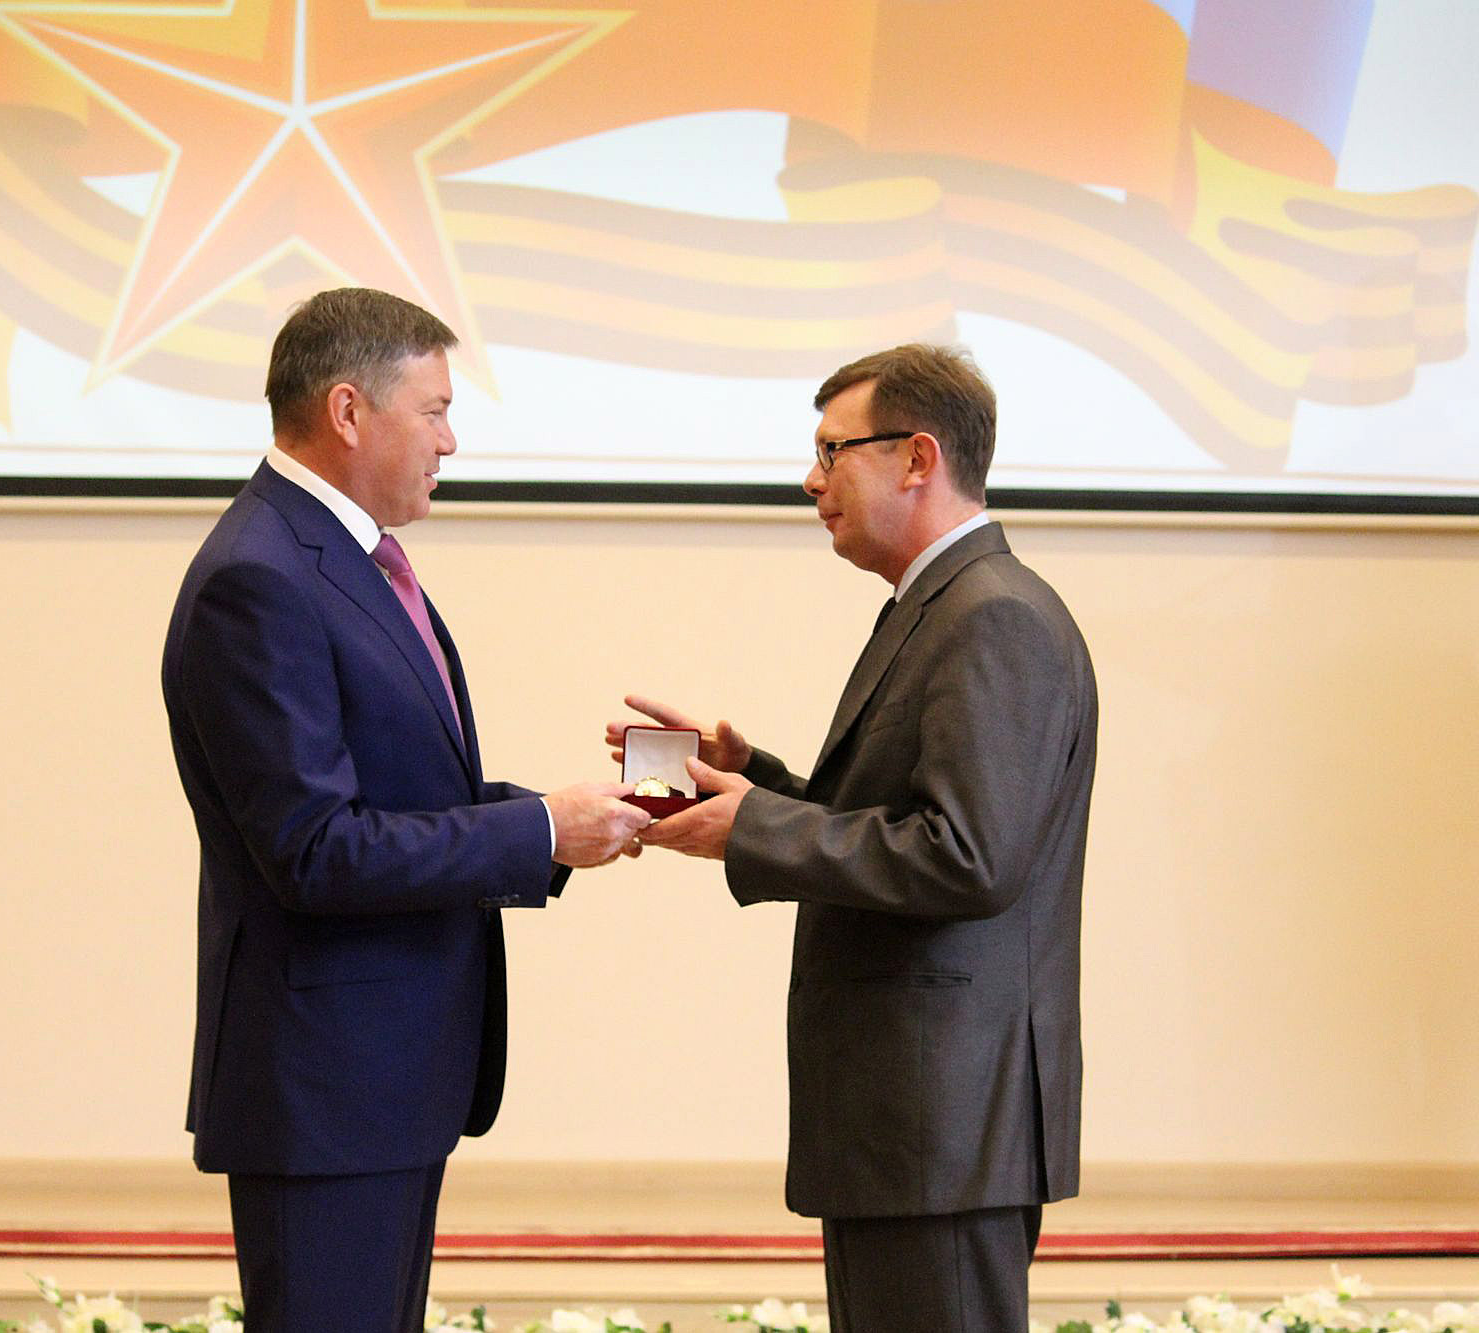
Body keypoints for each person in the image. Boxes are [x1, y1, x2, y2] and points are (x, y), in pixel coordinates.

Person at [162, 287, 649, 1333]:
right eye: (434, 411)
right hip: (326, 1088)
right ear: (348, 411)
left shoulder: (337, 557)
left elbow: (401, 797)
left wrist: (563, 820)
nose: (450, 441)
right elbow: (315, 850)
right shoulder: (260, 578)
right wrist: (536, 830)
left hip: (381, 1085)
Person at [613, 344, 1097, 1333]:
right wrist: (753, 780)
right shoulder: (939, 606)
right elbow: (900, 822)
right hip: (913, 1127)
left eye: (832, 450)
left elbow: (968, 858)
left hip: (943, 1124)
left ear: (917, 457)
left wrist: (753, 827)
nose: (811, 478)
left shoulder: (992, 616)